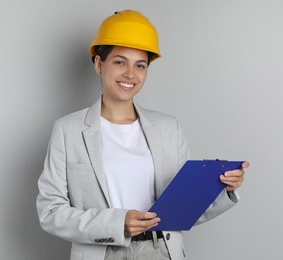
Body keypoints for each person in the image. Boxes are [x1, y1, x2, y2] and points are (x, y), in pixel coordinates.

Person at [36, 9, 248, 260]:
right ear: (98, 63)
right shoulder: (67, 130)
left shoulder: (169, 128)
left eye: (140, 65)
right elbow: (50, 211)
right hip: (102, 252)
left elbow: (182, 208)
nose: (130, 74)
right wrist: (116, 223)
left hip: (161, 251)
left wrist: (221, 187)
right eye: (119, 62)